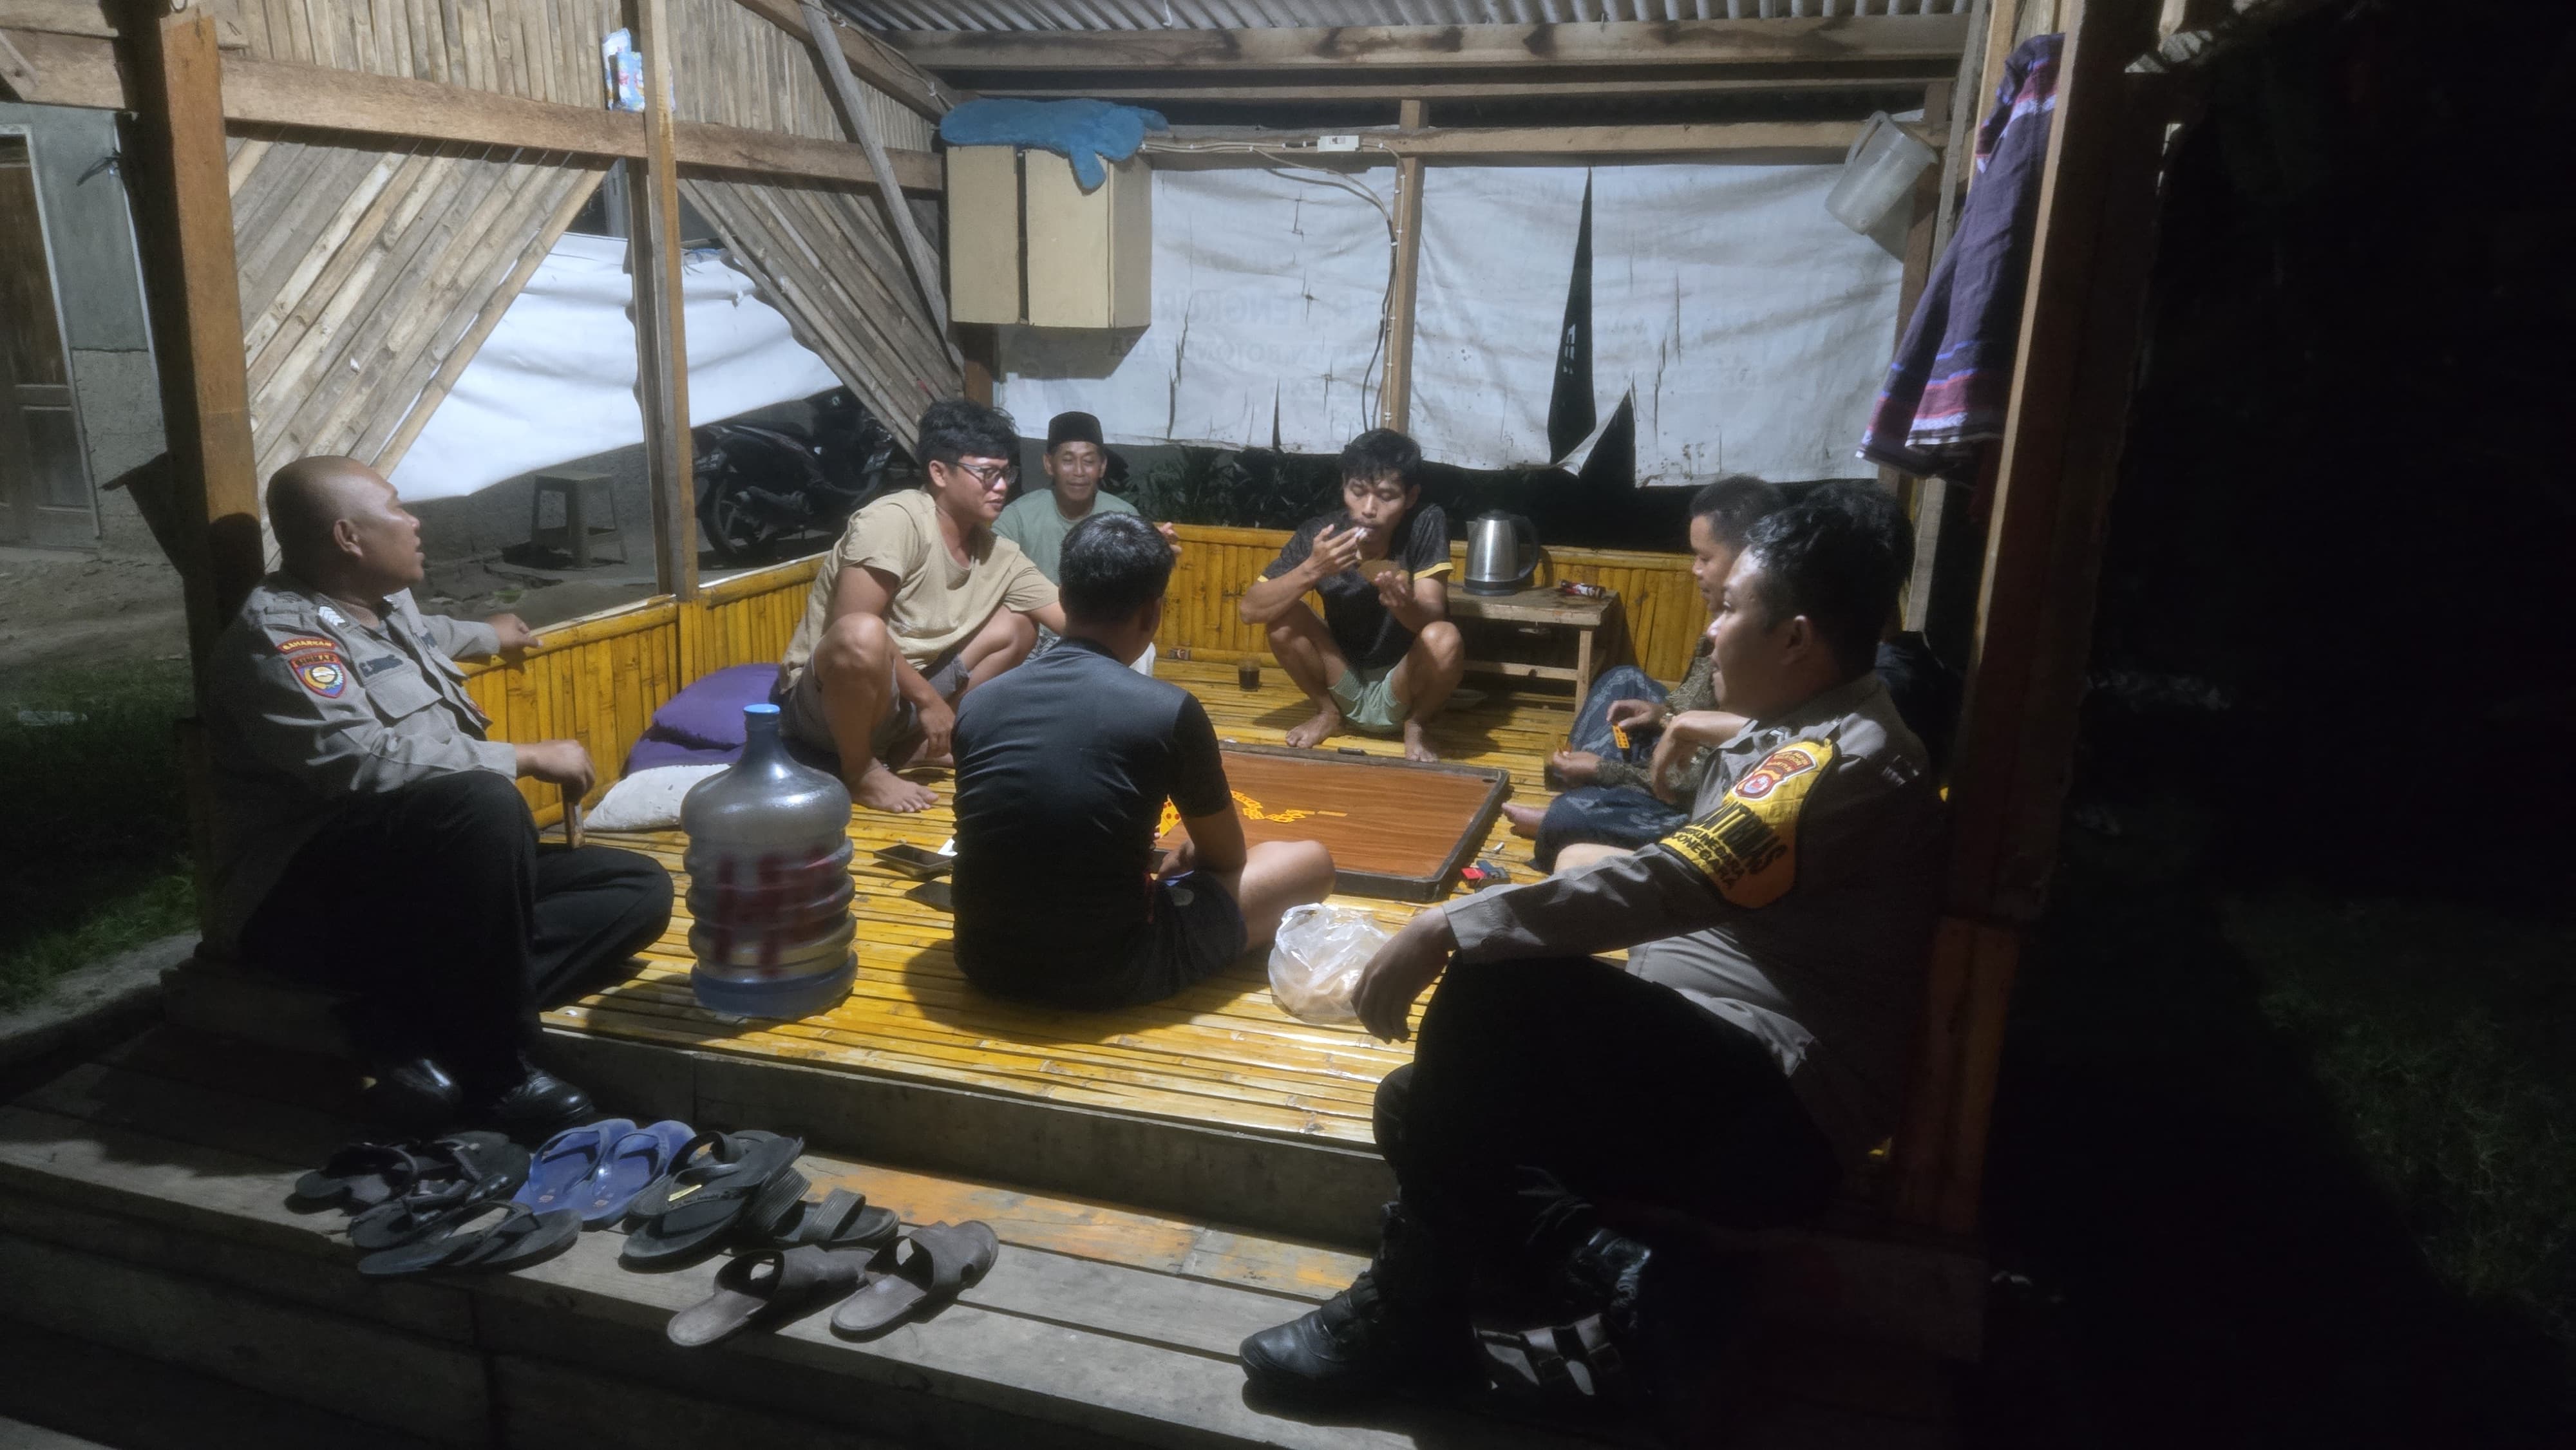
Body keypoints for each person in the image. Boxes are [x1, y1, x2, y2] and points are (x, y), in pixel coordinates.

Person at [1238, 484, 1945, 1422]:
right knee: (1418, 1103)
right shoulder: (1805, 726)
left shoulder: (1835, 762)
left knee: (1497, 995)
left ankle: (1409, 1323)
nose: (1709, 632)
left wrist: (1447, 925)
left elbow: (1672, 881)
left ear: (1795, 639)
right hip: (1717, 1080)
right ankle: (1632, 1275)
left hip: (1780, 1117)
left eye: (1729, 610)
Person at [203, 457, 673, 1136]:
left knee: (635, 888)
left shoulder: (381, 601)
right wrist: (525, 757)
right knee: (483, 803)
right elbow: (360, 759)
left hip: (413, 887)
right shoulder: (282, 640)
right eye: (397, 508)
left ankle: (404, 1019)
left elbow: (421, 640)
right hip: (306, 902)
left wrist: (490, 633)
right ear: (348, 537)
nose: (415, 521)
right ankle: (496, 1073)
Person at [949, 513, 1337, 1008]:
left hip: (984, 962)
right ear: (1153, 614)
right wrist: (1186, 858)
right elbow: (1227, 859)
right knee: (1310, 864)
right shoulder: (1168, 710)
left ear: (1064, 597)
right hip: (1115, 970)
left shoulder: (979, 703)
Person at [774, 399, 1066, 814]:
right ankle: (860, 771)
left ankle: (918, 748)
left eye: (1006, 474)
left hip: (903, 705)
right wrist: (929, 702)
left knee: (1019, 624)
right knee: (863, 633)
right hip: (826, 708)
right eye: (988, 473)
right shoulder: (894, 520)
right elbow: (848, 628)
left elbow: (1076, 621)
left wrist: (1140, 568)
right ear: (939, 472)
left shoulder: (998, 554)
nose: (1002, 486)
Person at [1503, 476, 1783, 869]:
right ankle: (1585, 790)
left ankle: (1576, 805)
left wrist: (1605, 770)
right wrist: (1660, 714)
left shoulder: (1759, 642)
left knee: (1569, 818)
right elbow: (1693, 705)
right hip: (1672, 751)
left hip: (1688, 796)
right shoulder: (1724, 617)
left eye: (1705, 559)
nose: (1694, 570)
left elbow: (1688, 781)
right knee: (1623, 679)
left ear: (1748, 559)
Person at [1238, 429, 1465, 763]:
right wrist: (1313, 569)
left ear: (1411, 497)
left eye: (1386, 496)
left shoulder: (1425, 523)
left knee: (1445, 637)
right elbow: (1250, 610)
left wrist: (1406, 607)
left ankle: (1417, 724)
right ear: (1344, 486)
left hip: (1404, 683)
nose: (1369, 509)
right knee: (1283, 619)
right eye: (1358, 492)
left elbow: (1433, 616)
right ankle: (1328, 713)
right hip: (1343, 678)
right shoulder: (1322, 534)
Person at [993, 409, 1179, 674]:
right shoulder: (1017, 517)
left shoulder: (1123, 516)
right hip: (1032, 636)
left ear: (1102, 466)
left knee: (1144, 653)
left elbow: (1136, 591)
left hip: (1100, 637)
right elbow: (993, 582)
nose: (1079, 472)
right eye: (1068, 460)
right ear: (1049, 464)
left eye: (1089, 461)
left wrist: (1155, 555)